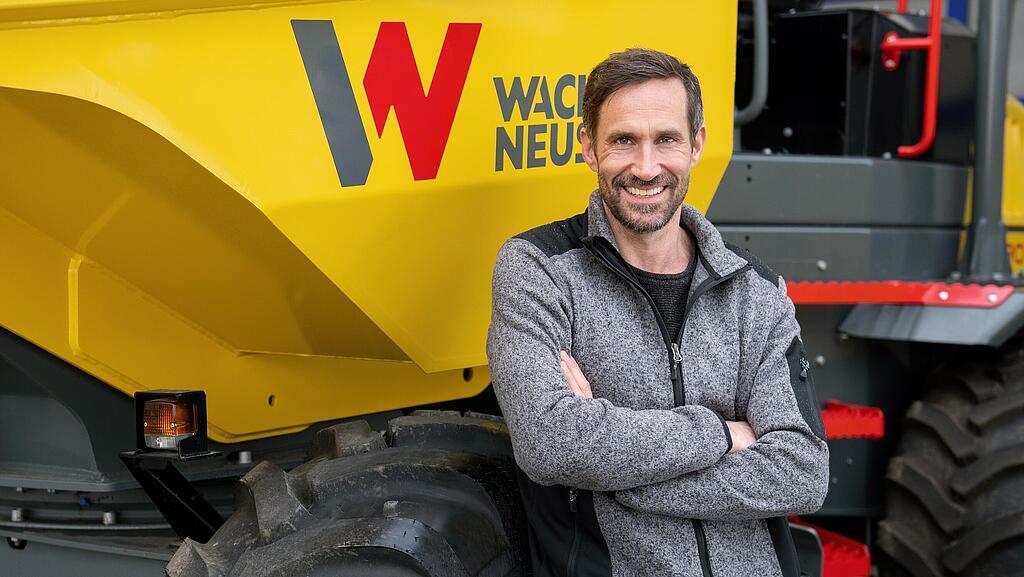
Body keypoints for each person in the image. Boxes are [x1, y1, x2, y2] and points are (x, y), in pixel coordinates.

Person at [486, 48, 830, 577]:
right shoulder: (539, 269)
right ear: (588, 148)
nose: (646, 168)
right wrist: (718, 433)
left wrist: (619, 475)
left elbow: (803, 472)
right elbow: (550, 442)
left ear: (696, 145)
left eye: (666, 139)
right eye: (624, 140)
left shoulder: (756, 291)